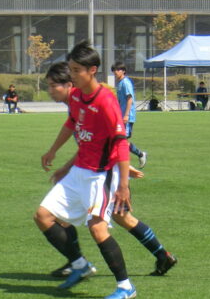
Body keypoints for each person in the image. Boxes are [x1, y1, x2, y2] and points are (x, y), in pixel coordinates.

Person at [44, 62, 177, 278]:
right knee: (121, 217)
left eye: (53, 86)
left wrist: (123, 171)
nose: (49, 91)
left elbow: (116, 141)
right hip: (98, 168)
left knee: (106, 219)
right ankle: (162, 256)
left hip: (106, 171)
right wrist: (64, 165)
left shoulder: (91, 101)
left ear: (69, 84)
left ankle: (82, 264)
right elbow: (88, 145)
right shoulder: (77, 104)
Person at [35, 40, 136, 299]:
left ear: (92, 70)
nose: (72, 75)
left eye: (76, 70)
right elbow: (71, 123)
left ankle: (126, 286)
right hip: (79, 170)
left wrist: (123, 184)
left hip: (101, 174)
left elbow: (120, 143)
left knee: (97, 228)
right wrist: (53, 150)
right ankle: (80, 265)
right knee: (43, 216)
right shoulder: (77, 96)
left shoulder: (106, 101)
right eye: (70, 69)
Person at [111, 62, 146, 168]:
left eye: (118, 70)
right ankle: (136, 156)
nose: (115, 72)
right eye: (114, 70)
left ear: (123, 71)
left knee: (121, 141)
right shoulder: (120, 83)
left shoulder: (125, 83)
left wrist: (126, 115)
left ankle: (135, 157)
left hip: (127, 116)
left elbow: (129, 99)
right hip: (121, 116)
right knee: (119, 140)